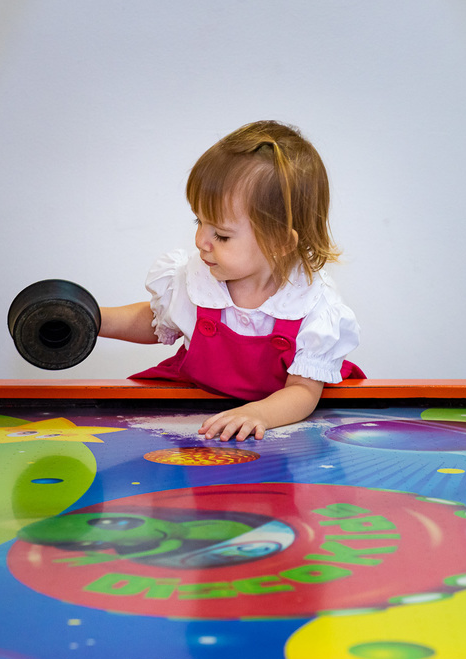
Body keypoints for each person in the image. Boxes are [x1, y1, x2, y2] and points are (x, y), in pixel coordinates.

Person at [98, 121, 364, 441]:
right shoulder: (199, 278)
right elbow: (156, 321)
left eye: (221, 235)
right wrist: (94, 319)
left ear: (280, 242)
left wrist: (259, 413)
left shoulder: (313, 306)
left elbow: (304, 391)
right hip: (196, 406)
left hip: (277, 423)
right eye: (199, 222)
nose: (200, 241)